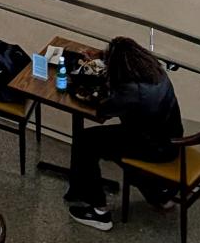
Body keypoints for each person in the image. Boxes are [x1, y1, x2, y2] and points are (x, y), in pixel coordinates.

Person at [66, 37, 185, 230]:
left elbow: (103, 109)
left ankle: (98, 210)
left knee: (86, 141)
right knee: (113, 145)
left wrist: (75, 87)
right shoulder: (155, 72)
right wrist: (102, 58)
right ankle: (158, 194)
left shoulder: (131, 91)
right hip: (170, 138)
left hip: (152, 146)